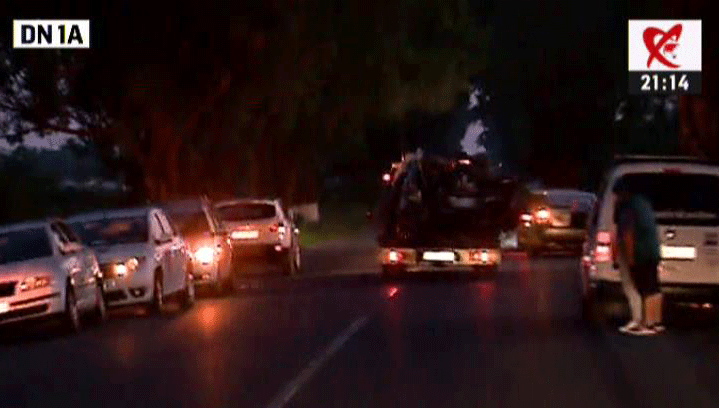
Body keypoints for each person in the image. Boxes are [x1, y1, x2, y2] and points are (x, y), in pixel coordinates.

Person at [613, 180, 664, 335]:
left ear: (622, 194)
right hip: (652, 251)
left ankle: (641, 323)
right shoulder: (644, 204)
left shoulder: (628, 209)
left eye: (617, 195)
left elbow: (628, 235)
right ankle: (654, 322)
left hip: (640, 252)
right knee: (653, 287)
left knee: (640, 287)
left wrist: (630, 260)